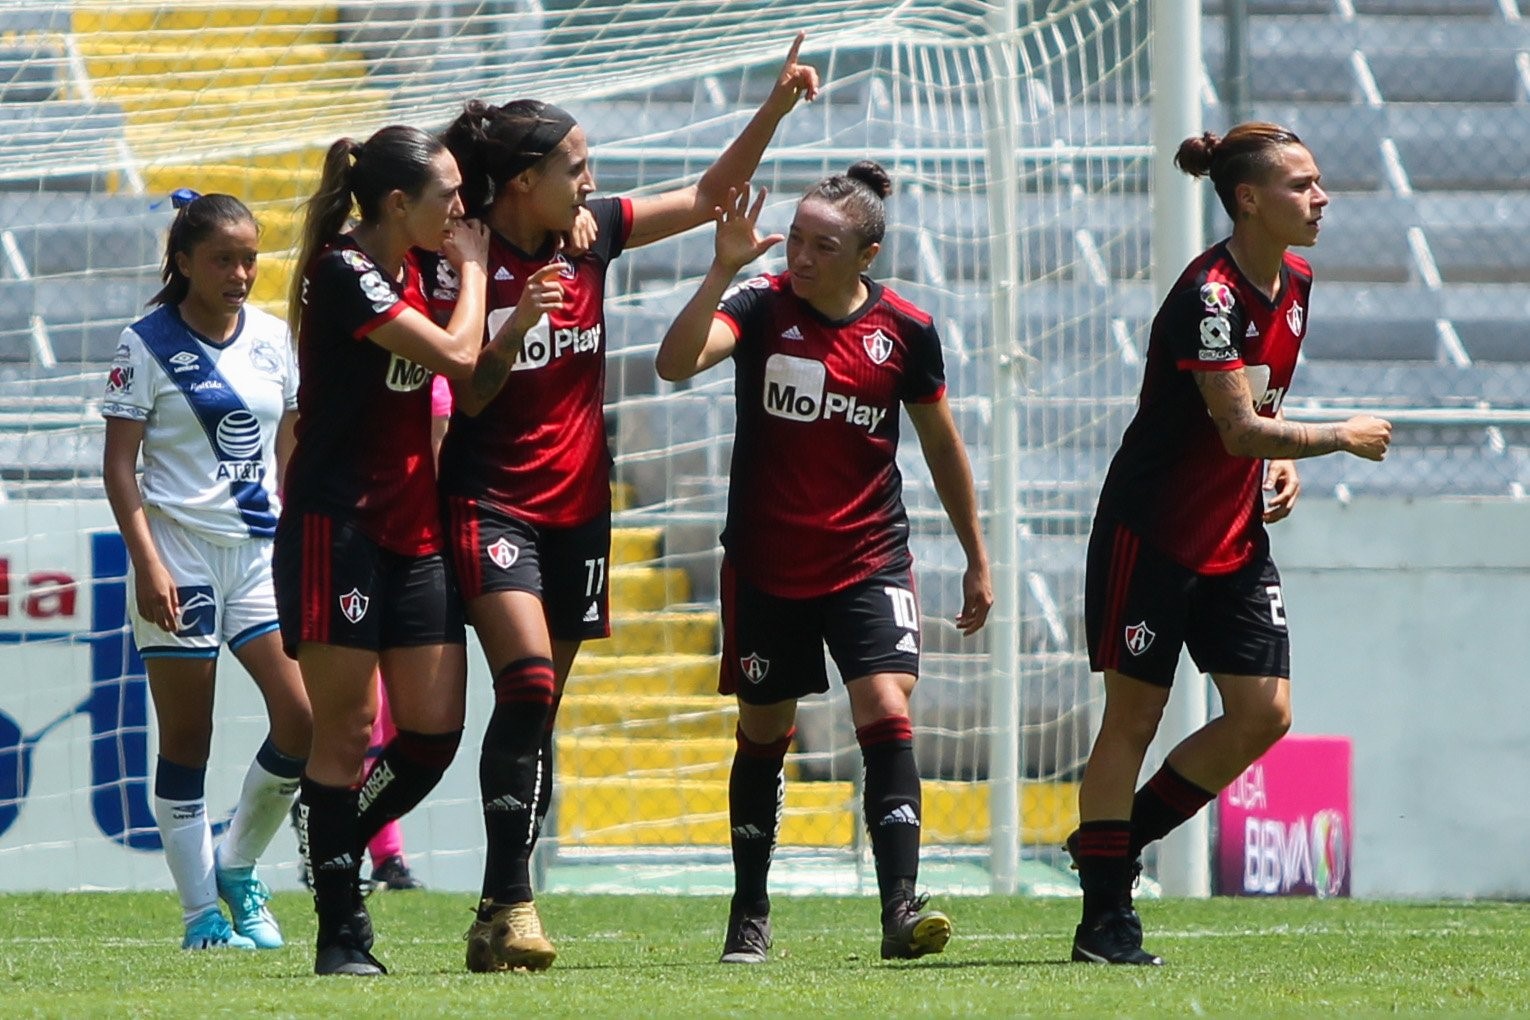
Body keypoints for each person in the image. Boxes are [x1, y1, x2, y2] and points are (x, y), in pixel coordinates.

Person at [428, 32, 821, 974]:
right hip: (490, 501)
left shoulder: (592, 231)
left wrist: (772, 110)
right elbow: (469, 394)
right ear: (521, 182)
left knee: (542, 702)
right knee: (525, 682)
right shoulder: (462, 259)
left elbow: (706, 196)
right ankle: (511, 901)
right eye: (577, 167)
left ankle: (496, 913)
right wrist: (509, 317)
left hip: (580, 509)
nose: (590, 181)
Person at [1070, 122, 1392, 966]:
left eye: (1319, 183)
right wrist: (1334, 439)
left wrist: (1280, 460)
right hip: (1156, 533)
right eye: (1302, 185)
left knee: (1264, 715)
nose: (1321, 198)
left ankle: (1110, 843)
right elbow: (1238, 428)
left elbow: (1258, 412)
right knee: (1133, 717)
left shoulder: (1297, 280)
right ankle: (1105, 921)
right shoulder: (1207, 298)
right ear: (1248, 198)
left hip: (1233, 534)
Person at [653, 166, 993, 964]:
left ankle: (901, 909)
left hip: (869, 556)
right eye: (796, 239)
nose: (800, 256)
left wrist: (978, 555)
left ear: (865, 254)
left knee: (884, 703)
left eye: (821, 245)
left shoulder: (906, 330)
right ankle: (750, 909)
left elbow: (941, 444)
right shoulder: (761, 305)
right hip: (768, 564)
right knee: (764, 729)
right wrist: (722, 267)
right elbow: (675, 363)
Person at [275, 124, 490, 976]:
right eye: (447, 196)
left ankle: (332, 831)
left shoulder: (426, 265)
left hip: (416, 528)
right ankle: (342, 933)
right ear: (398, 204)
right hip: (340, 527)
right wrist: (476, 272)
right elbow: (457, 355)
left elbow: (474, 368)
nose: (461, 210)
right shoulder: (343, 272)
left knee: (434, 733)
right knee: (349, 729)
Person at [101, 190, 312, 952]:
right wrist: (148, 560)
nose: (240, 272)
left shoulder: (273, 337)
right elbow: (120, 469)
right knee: (188, 738)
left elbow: (289, 447)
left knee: (303, 720)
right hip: (178, 556)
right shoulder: (146, 342)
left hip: (258, 555)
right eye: (223, 258)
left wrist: (297, 534)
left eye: (250, 257)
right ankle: (201, 918)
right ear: (185, 262)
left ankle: (238, 867)